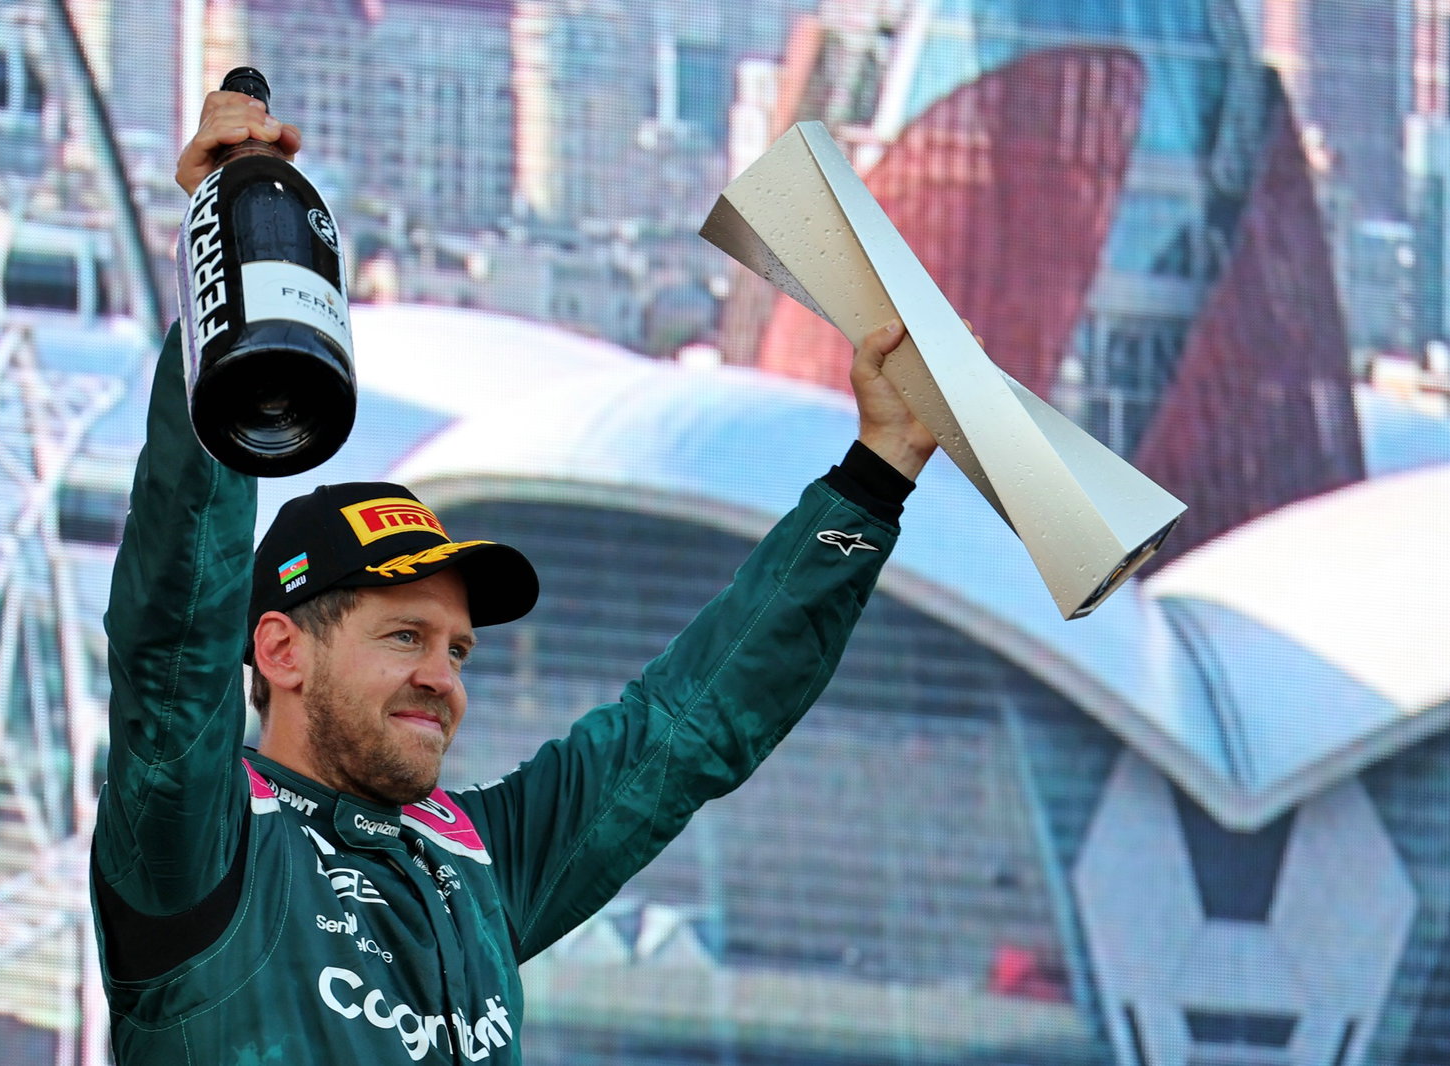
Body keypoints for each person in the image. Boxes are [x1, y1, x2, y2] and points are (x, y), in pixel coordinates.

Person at [89, 90, 936, 1065]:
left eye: (456, 648)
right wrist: (224, 304)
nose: (442, 676)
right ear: (279, 649)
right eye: (403, 635)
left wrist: (873, 477)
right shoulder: (196, 839)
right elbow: (175, 629)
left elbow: (687, 725)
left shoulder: (474, 858)